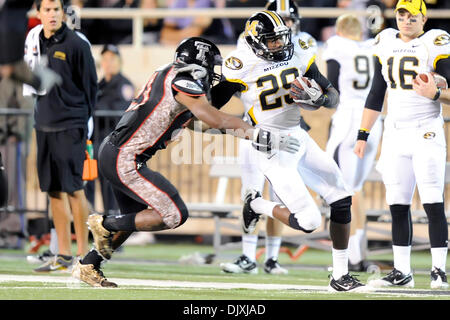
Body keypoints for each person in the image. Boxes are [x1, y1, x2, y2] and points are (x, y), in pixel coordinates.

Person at [71, 36, 301, 287]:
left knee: (134, 219)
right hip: (125, 158)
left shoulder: (169, 73)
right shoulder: (184, 81)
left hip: (118, 153)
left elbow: (194, 122)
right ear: (199, 63)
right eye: (211, 68)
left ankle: (89, 264)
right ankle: (103, 222)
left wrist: (240, 130)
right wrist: (258, 133)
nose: (212, 75)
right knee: (174, 214)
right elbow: (213, 117)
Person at [214, 10, 366, 292]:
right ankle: (257, 204)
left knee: (342, 196)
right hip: (270, 145)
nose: (279, 45)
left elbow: (332, 97)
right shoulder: (241, 64)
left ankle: (341, 275)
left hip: (298, 135)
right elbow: (211, 113)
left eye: (281, 39)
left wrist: (319, 97)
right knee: (308, 221)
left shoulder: (297, 51)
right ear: (257, 41)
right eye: (271, 41)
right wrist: (244, 131)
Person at [354, 0, 450, 289]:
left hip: (426, 131)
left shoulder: (435, 42)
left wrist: (436, 94)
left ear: (424, 18)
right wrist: (362, 134)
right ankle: (402, 271)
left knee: (433, 202)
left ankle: (438, 271)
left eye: (413, 16)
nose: (406, 20)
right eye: (401, 14)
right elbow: (376, 92)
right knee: (397, 204)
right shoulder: (384, 41)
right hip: (395, 132)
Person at [220, 0, 318, 275]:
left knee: (280, 193)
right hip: (257, 129)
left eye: (289, 20)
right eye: (281, 19)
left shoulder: (303, 46)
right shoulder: (247, 47)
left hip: (289, 130)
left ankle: (272, 257)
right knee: (250, 190)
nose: (286, 26)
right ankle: (247, 255)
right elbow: (240, 87)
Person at [24, 0, 98, 273]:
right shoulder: (34, 41)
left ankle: (83, 255)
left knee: (75, 189)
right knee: (53, 190)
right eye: (47, 9)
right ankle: (63, 254)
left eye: (57, 9)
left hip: (71, 124)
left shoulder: (78, 44)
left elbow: (91, 88)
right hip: (44, 123)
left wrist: (82, 122)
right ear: (39, 13)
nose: (53, 14)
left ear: (63, 12)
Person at [323, 14, 383, 272]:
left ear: (339, 29)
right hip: (373, 119)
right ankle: (358, 253)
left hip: (348, 119)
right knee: (355, 190)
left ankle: (352, 257)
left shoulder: (336, 44)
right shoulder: (372, 46)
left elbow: (333, 86)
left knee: (342, 190)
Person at [85, 44, 135, 215]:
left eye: (112, 59)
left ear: (119, 62)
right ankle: (91, 228)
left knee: (111, 191)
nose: (108, 63)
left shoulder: (124, 85)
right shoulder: (98, 85)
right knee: (88, 185)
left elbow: (120, 113)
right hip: (95, 145)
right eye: (105, 59)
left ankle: (115, 231)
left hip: (113, 146)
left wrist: (97, 108)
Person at [159, 0, 234, 45]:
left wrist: (174, 37)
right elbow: (164, 34)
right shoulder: (179, 2)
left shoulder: (207, 2)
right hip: (189, 42)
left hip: (218, 42)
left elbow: (194, 33)